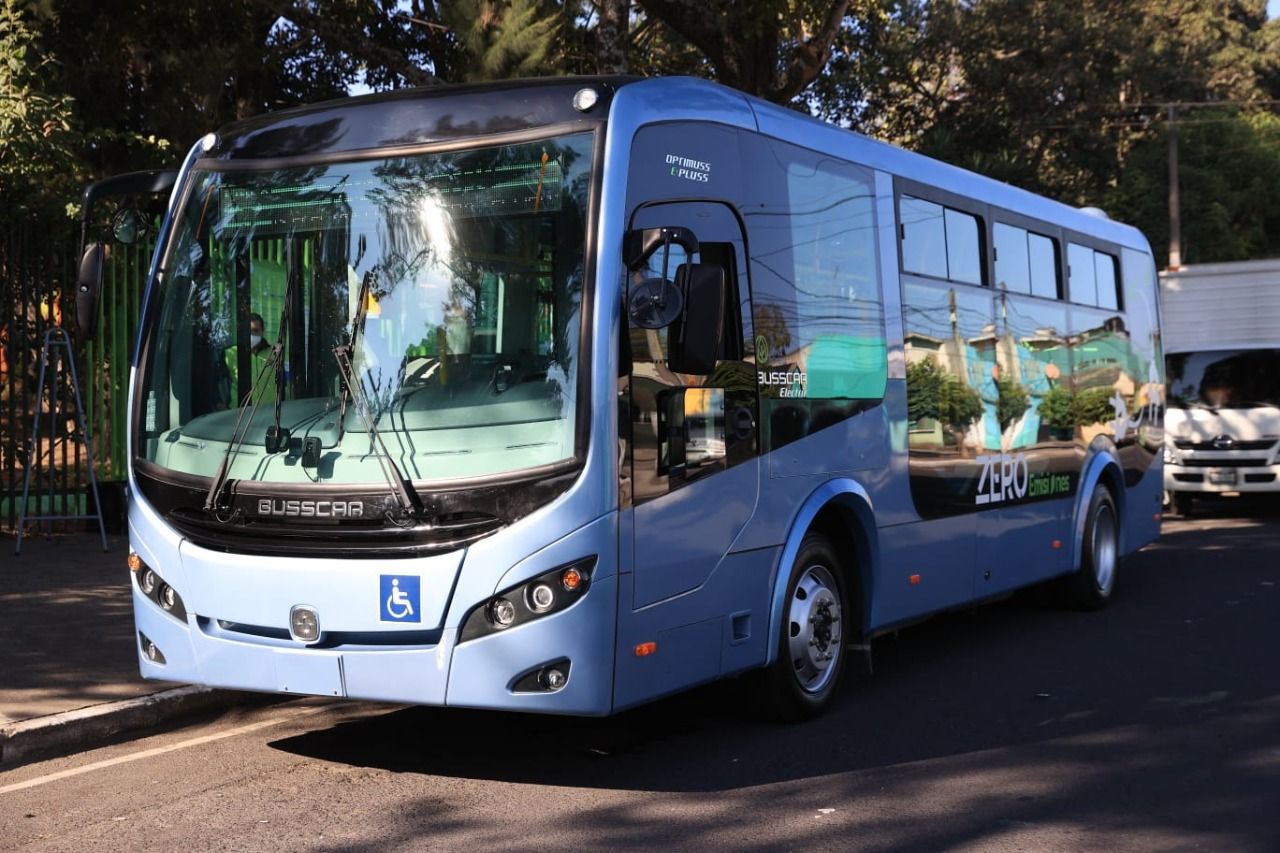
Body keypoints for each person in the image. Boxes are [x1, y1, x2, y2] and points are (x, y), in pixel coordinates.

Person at [220, 312, 275, 407]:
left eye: (255, 331)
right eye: (248, 331)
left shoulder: (274, 354)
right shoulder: (229, 354)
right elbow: (216, 385)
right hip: (239, 414)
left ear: (262, 331)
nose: (252, 335)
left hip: (270, 414)